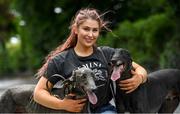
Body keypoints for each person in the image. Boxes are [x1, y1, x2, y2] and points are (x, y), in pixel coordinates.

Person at [33, 8, 147, 113]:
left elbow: (140, 69)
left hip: (104, 110)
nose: (91, 34)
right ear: (76, 30)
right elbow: (38, 93)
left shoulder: (107, 54)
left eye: (95, 30)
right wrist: (62, 104)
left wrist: (140, 78)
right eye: (86, 29)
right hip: (73, 112)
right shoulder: (60, 60)